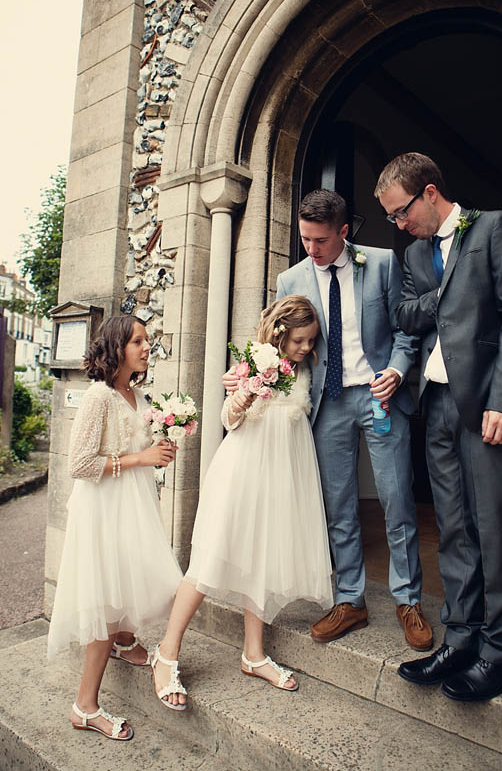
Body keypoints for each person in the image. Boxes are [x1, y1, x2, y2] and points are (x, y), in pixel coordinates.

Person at [375, 152, 502, 702]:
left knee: (494, 527)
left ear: (428, 193)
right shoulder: (416, 254)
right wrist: (444, 296)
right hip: (438, 404)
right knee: (451, 528)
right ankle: (462, 637)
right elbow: (402, 314)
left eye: (400, 213)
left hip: (489, 403)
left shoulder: (494, 228)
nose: (398, 226)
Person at [150, 296, 333, 708]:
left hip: (282, 475)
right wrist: (246, 393)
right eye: (301, 340)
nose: (306, 347)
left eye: (311, 340)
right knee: (208, 561)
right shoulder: (253, 361)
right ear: (281, 334)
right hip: (243, 471)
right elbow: (228, 420)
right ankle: (166, 652)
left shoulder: (305, 368)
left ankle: (254, 654)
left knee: (263, 559)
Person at [273, 188, 432, 651]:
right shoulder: (291, 279)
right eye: (305, 239)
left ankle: (408, 600)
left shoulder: (381, 262)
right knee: (338, 506)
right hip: (328, 405)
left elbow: (405, 329)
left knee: (397, 499)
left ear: (345, 231)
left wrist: (399, 371)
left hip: (380, 398)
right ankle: (350, 600)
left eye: (321, 240)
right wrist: (251, 377)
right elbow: (278, 345)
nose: (312, 249)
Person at [47, 315, 182, 740]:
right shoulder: (100, 397)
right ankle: (84, 706)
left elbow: (135, 448)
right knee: (106, 599)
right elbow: (80, 465)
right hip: (104, 510)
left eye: (148, 341)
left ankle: (125, 640)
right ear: (117, 347)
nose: (147, 347)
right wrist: (142, 459)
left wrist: (159, 449)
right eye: (138, 341)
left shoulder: (135, 394)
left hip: (133, 506)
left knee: (130, 579)